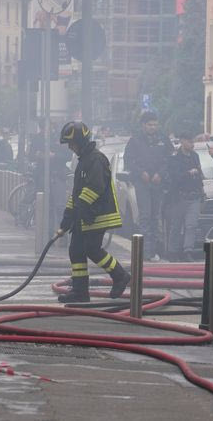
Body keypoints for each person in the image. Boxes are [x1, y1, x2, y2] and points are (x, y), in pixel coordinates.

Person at [56, 121, 131, 303]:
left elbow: (95, 187)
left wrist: (79, 210)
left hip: (98, 215)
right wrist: (66, 220)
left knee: (92, 249)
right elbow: (77, 193)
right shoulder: (84, 161)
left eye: (72, 144)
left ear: (80, 141)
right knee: (76, 250)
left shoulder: (95, 159)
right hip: (86, 215)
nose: (70, 148)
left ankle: (120, 276)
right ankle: (80, 291)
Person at [124, 111, 174, 261]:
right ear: (143, 125)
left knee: (155, 217)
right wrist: (140, 173)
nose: (153, 127)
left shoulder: (163, 140)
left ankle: (155, 250)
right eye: (150, 124)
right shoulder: (135, 141)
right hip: (142, 184)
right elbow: (129, 161)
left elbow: (169, 159)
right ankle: (145, 251)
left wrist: (161, 173)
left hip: (158, 183)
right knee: (145, 217)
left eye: (155, 124)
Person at [165, 133, 204, 262]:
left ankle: (188, 250)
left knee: (191, 225)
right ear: (182, 141)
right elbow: (174, 177)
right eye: (189, 141)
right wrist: (188, 173)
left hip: (194, 196)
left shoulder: (195, 156)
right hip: (179, 196)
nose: (192, 144)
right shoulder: (175, 158)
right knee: (176, 225)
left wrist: (201, 190)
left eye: (192, 141)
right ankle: (172, 251)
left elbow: (199, 175)